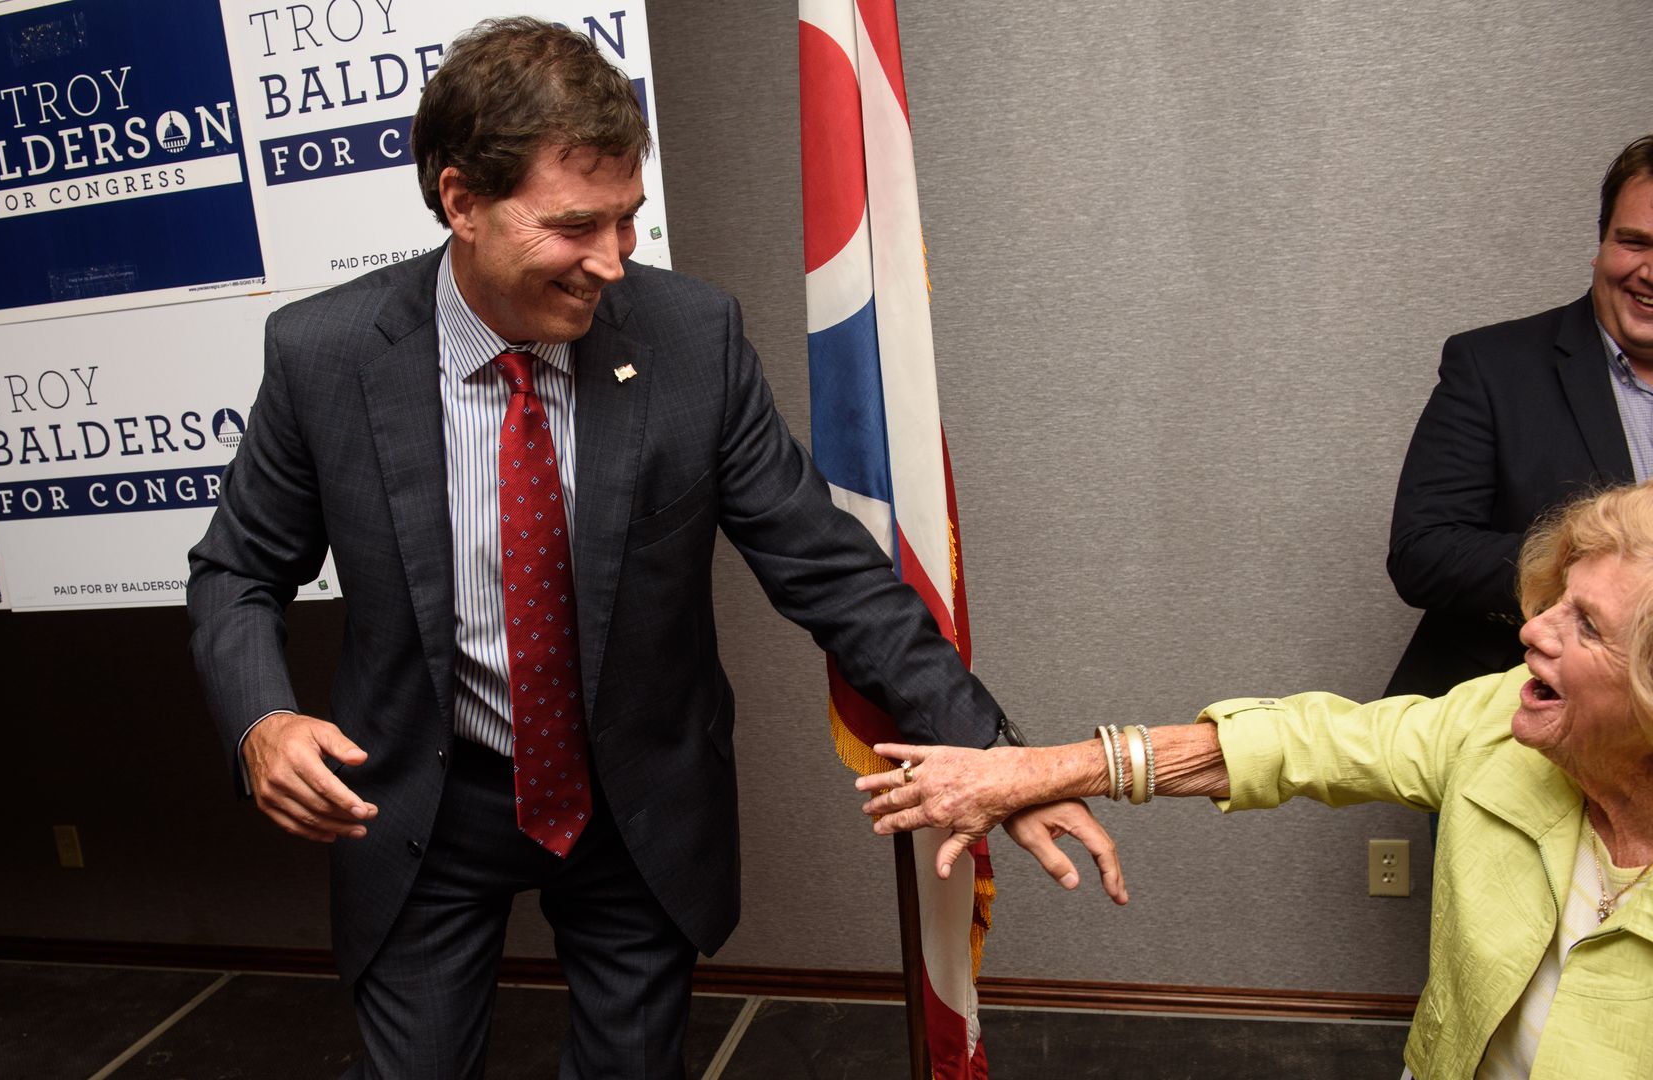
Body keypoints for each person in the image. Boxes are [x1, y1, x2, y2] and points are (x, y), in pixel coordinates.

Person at [187, 17, 1115, 1079]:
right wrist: (261, 721)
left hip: (630, 796)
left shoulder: (691, 339)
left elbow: (829, 570)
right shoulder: (327, 356)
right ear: (460, 201)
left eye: (627, 221)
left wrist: (999, 752)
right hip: (421, 797)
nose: (613, 263)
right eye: (576, 226)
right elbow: (237, 572)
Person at [858, 481, 1653, 1078]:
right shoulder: (1493, 724)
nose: (1530, 630)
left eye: (1585, 625)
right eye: (1558, 601)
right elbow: (1299, 742)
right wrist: (1034, 769)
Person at [1384, 135, 1653, 698]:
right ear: (1600, 246)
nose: (1650, 271)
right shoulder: (1491, 365)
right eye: (1634, 242)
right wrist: (1598, 566)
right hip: (1510, 714)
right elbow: (1423, 554)